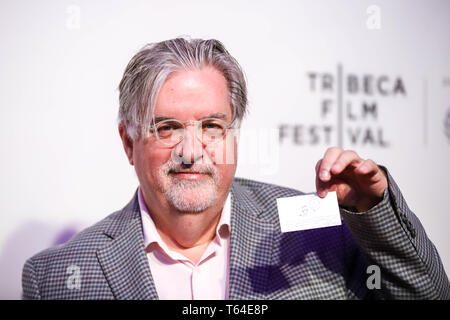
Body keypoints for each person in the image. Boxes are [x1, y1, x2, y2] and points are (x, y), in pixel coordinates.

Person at [22, 37, 450, 300]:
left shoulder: (318, 232)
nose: (191, 151)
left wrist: (372, 211)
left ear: (235, 134)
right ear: (128, 142)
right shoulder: (57, 277)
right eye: (167, 127)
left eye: (212, 126)